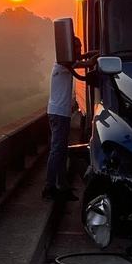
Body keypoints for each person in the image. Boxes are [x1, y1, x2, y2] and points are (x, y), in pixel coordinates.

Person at [44, 48, 80, 202]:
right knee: (57, 151)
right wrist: (99, 55)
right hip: (59, 114)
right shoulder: (63, 64)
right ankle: (49, 187)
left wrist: (91, 52)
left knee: (61, 151)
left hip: (59, 113)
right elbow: (87, 63)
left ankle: (62, 185)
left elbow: (82, 59)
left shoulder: (64, 63)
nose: (78, 50)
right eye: (76, 47)